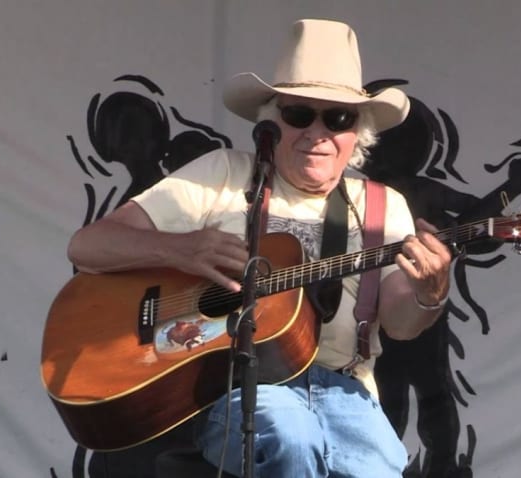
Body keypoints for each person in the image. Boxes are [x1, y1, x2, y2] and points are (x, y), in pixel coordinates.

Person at [67, 18, 452, 478]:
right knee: (291, 439)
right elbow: (88, 246)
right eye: (299, 114)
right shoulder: (220, 175)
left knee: (379, 468)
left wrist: (430, 294)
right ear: (273, 120)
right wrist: (181, 249)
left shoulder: (382, 206)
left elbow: (401, 324)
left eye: (338, 117)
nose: (318, 132)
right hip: (230, 388)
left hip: (344, 389)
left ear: (358, 133)